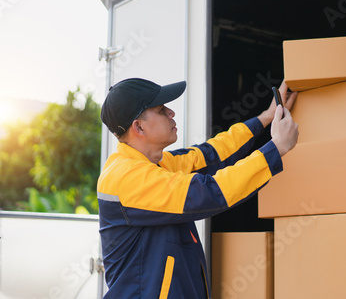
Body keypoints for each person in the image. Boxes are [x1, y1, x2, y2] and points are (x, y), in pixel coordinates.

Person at [97, 77, 298, 298]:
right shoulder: (126, 178)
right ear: (139, 127)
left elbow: (210, 155)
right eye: (162, 109)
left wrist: (264, 119)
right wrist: (275, 148)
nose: (171, 113)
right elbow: (209, 192)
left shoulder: (156, 164)